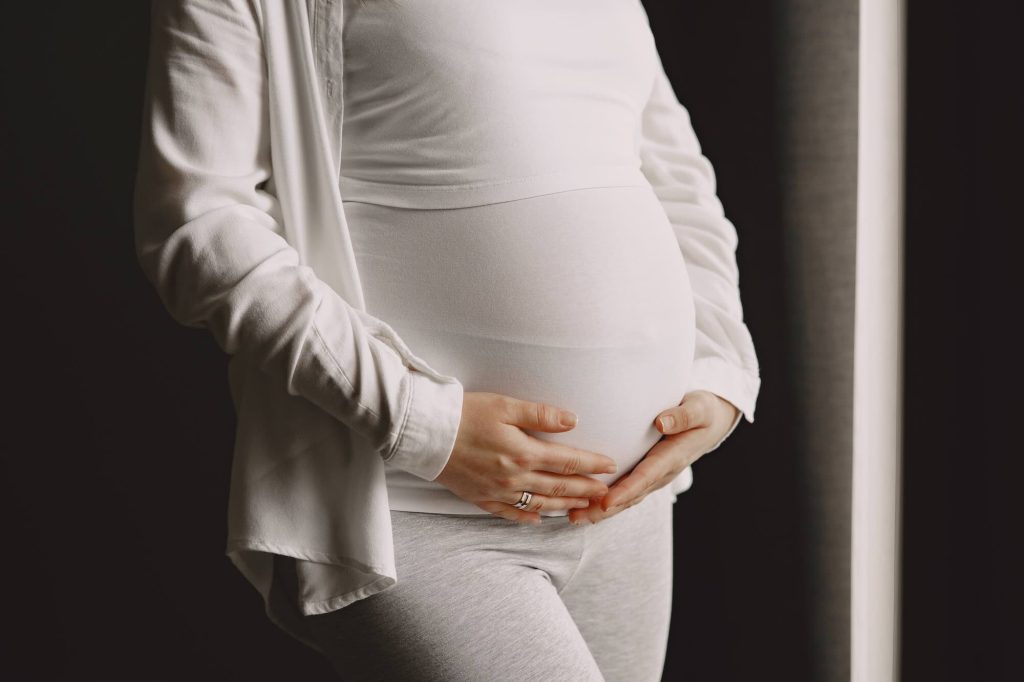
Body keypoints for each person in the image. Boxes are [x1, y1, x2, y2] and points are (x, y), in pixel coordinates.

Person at [134, 0, 761, 679]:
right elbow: (200, 225)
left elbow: (672, 175)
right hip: (409, 507)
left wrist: (719, 368)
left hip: (626, 508)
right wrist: (421, 424)